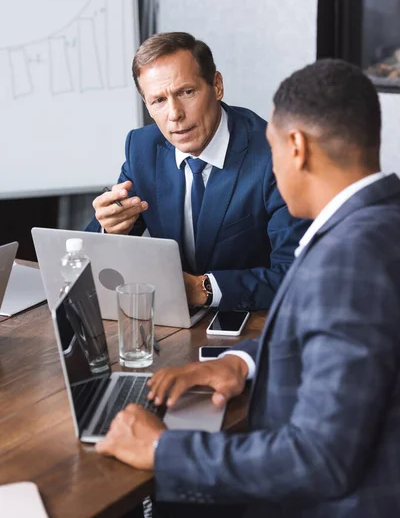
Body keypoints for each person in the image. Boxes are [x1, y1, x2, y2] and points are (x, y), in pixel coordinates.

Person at [96, 58, 400, 517]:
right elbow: (335, 339)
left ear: (295, 148)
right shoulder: (379, 222)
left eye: (272, 148)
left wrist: (164, 452)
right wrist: (240, 362)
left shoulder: (348, 261)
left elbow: (321, 460)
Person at [86, 32, 308, 311]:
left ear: (216, 86)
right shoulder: (142, 147)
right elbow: (97, 249)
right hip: (173, 321)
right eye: (159, 101)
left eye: (186, 92)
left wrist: (202, 288)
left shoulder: (276, 156)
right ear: (147, 105)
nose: (174, 114)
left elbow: (297, 275)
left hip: (254, 323)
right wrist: (109, 229)